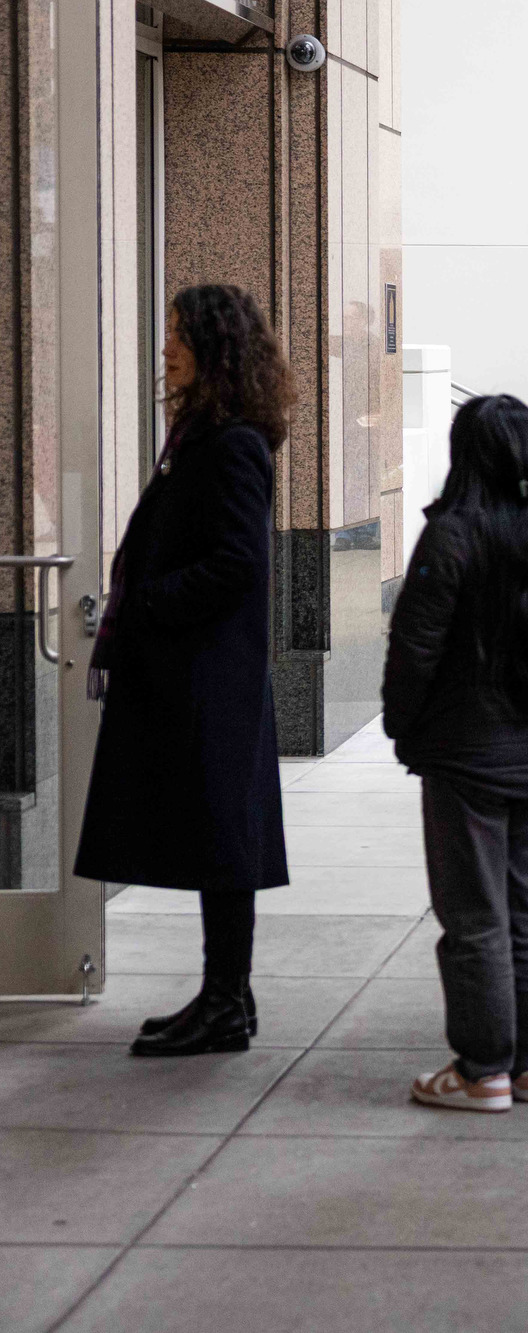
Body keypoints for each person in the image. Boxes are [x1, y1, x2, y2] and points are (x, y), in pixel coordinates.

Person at [75, 284, 293, 1058]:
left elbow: (239, 562)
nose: (166, 346)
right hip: (196, 674)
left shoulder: (231, 442)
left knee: (222, 842)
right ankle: (224, 995)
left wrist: (149, 602)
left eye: (178, 334)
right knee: (213, 840)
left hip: (211, 678)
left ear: (214, 347)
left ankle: (227, 1003)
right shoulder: (206, 433)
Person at [383, 394, 528, 1113]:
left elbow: (414, 645)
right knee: (526, 906)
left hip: (465, 751)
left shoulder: (453, 534)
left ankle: (483, 1068)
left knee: (473, 913)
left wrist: (402, 725)